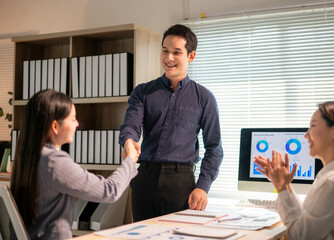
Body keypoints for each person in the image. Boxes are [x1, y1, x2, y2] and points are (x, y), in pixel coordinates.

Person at [120, 24, 223, 221]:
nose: (169, 58)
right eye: (165, 51)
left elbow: (215, 148)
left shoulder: (204, 98)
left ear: (191, 56)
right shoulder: (143, 92)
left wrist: (202, 186)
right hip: (145, 180)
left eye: (176, 52)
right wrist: (128, 142)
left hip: (180, 183)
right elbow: (131, 126)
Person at [10, 89, 139, 240]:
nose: (77, 124)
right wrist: (129, 160)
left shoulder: (28, 156)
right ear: (55, 126)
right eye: (73, 119)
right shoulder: (54, 162)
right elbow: (109, 190)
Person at [254, 101, 334, 240]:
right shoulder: (333, 176)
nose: (306, 135)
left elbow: (301, 235)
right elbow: (304, 217)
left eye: (312, 126)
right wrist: (284, 185)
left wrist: (281, 187)